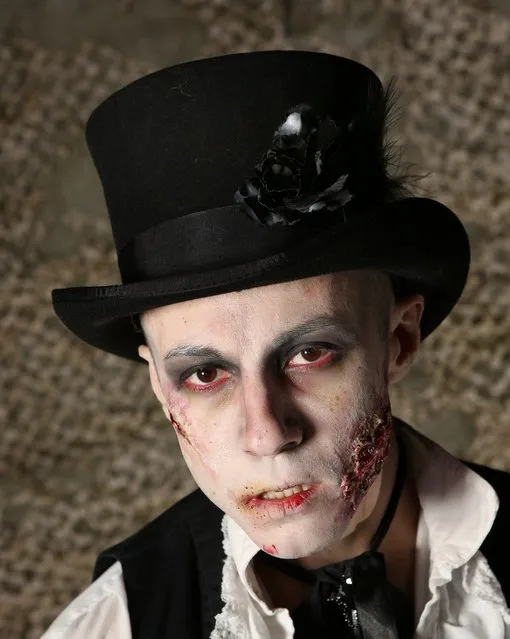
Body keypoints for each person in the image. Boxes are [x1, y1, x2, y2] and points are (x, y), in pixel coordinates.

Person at [43, 50, 510, 638]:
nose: (266, 434)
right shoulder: (113, 625)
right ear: (160, 387)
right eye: (205, 374)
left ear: (398, 338)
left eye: (309, 354)